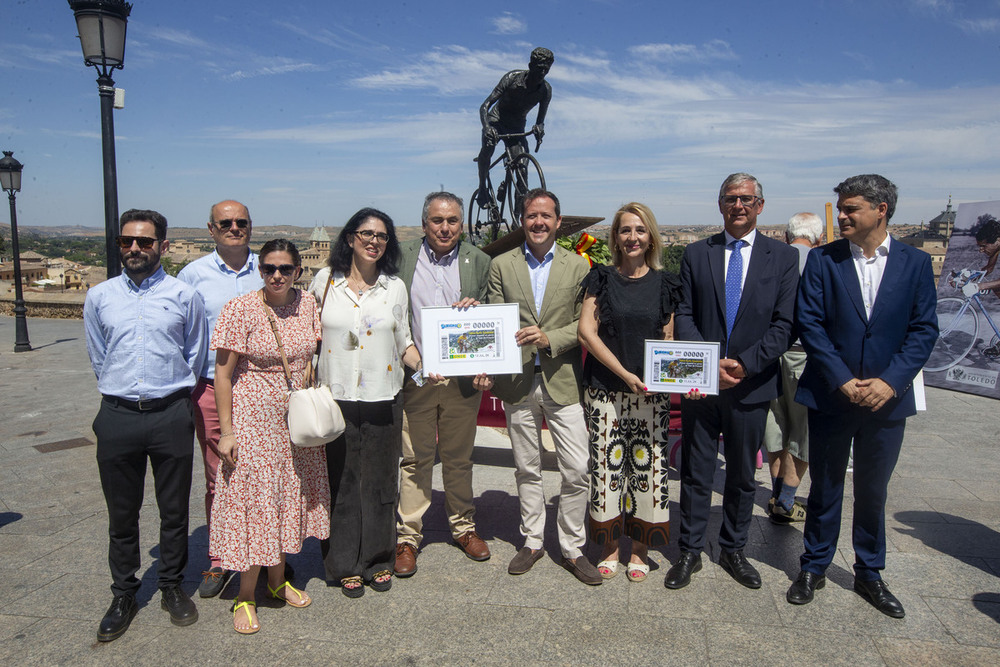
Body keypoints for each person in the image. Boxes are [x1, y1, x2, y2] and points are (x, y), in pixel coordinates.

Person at [786, 175, 938, 618]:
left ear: (881, 209)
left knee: (873, 490)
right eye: (842, 207)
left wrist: (891, 382)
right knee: (826, 485)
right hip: (834, 396)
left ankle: (869, 571)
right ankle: (813, 565)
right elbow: (809, 323)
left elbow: (924, 329)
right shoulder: (823, 260)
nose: (844, 215)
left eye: (852, 208)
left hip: (887, 401)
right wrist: (841, 379)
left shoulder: (913, 263)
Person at [669, 173, 799, 590]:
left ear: (760, 205)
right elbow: (684, 314)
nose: (738, 206)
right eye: (730, 199)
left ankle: (733, 549)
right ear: (720, 205)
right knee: (696, 471)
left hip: (751, 384)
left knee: (743, 474)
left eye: (746, 199)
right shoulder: (696, 253)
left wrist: (742, 364)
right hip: (701, 384)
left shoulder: (782, 257)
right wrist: (709, 365)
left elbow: (785, 325)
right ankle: (689, 550)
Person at [84, 209, 207, 642]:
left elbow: (195, 352)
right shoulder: (99, 297)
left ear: (163, 246)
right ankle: (124, 593)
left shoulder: (183, 296)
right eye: (126, 242)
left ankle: (172, 586)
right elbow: (99, 355)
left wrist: (169, 394)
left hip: (170, 413)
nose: (134, 249)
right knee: (122, 512)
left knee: (174, 510)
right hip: (117, 414)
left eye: (144, 242)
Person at [210, 239, 330, 634]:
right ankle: (246, 595)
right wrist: (227, 432)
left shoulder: (308, 304)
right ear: (259, 270)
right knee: (255, 503)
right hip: (253, 422)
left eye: (285, 269)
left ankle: (277, 582)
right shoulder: (240, 309)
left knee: (284, 497)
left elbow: (310, 357)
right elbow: (223, 376)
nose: (276, 276)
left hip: (294, 424)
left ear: (298, 271)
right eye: (268, 269)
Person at [486, 189, 600, 585]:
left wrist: (549, 337)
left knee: (577, 468)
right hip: (517, 379)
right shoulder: (501, 264)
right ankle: (532, 541)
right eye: (532, 215)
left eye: (546, 216)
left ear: (557, 220)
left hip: (562, 378)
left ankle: (572, 546)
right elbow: (494, 318)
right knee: (526, 466)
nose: (538, 222)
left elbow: (585, 325)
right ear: (523, 220)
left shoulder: (579, 266)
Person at [310, 207, 424, 598]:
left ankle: (378, 559)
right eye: (366, 234)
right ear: (349, 238)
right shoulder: (324, 282)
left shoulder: (394, 287)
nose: (373, 241)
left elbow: (404, 342)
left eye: (381, 236)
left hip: (383, 398)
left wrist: (429, 368)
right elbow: (309, 339)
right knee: (341, 482)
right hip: (335, 399)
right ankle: (343, 564)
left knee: (380, 484)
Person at [577, 203, 682, 583]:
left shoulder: (666, 283)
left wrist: (672, 378)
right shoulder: (600, 278)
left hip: (650, 394)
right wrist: (624, 374)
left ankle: (639, 549)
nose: (632, 237)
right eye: (625, 230)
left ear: (650, 236)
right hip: (606, 390)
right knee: (606, 469)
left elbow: (668, 340)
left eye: (639, 230)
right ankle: (608, 547)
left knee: (649, 469)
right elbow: (586, 332)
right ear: (616, 237)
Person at [394, 192, 494, 577]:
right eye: (437, 220)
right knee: (415, 458)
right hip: (416, 374)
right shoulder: (401, 257)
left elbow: (489, 319)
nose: (445, 228)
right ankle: (408, 537)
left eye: (453, 220)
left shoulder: (479, 261)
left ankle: (464, 528)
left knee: (457, 457)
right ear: (424, 224)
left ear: (462, 224)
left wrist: (485, 362)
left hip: (461, 382)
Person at [177, 199, 264, 598]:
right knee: (219, 474)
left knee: (265, 473)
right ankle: (220, 557)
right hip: (213, 387)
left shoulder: (269, 269)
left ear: (250, 226)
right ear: (211, 229)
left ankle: (264, 552)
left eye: (241, 222)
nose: (234, 228)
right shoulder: (192, 275)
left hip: (263, 390)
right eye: (225, 223)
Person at [764, 212, 825, 525]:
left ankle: (777, 495)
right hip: (804, 356)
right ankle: (786, 501)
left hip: (770, 354)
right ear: (819, 239)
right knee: (802, 430)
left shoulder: (772, 261)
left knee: (775, 424)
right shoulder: (822, 263)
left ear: (788, 236)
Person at [476, 47, 554, 207]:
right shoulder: (511, 78)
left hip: (516, 127)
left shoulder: (545, 91)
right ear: (530, 66)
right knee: (489, 147)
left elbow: (540, 121)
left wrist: (539, 129)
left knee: (522, 169)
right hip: (496, 120)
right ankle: (482, 189)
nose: (542, 74)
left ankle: (518, 217)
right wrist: (487, 127)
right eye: (539, 69)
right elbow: (485, 106)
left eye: (546, 70)